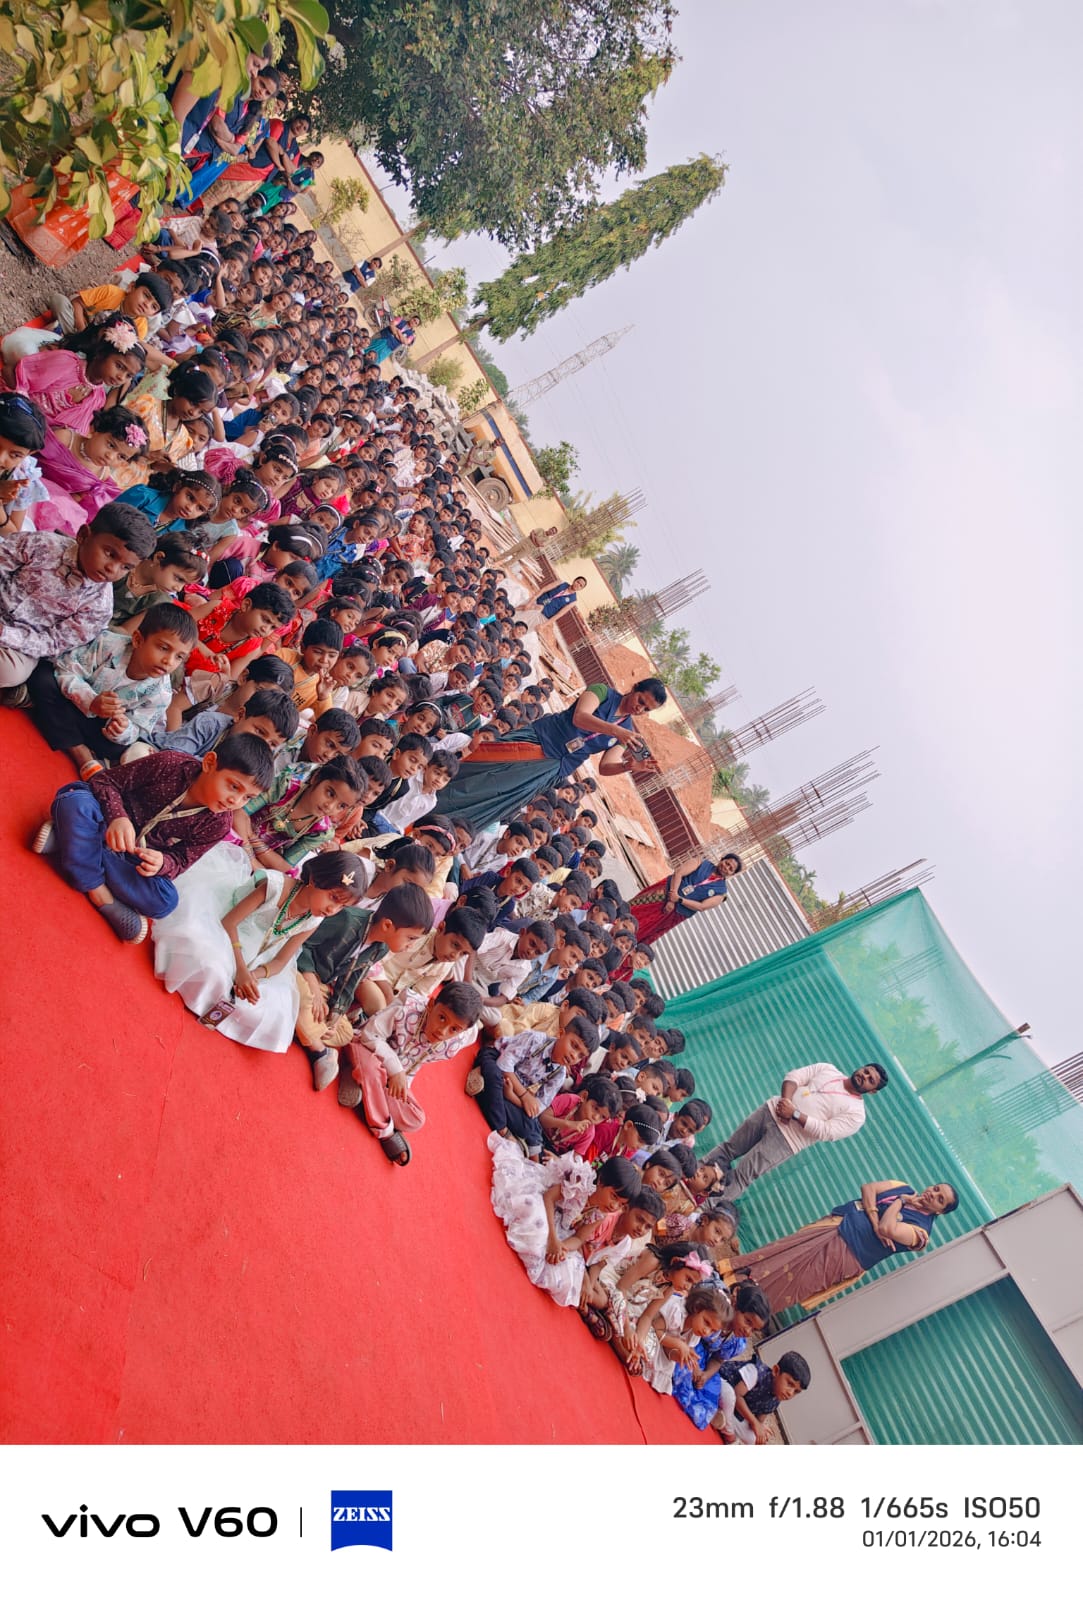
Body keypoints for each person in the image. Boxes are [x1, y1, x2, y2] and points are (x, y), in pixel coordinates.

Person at [33, 733, 273, 943]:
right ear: (210, 763)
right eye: (234, 786)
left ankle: (73, 843)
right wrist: (118, 818)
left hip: (128, 855)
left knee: (165, 901)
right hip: (106, 821)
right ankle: (98, 891)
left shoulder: (219, 824)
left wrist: (162, 863)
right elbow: (104, 781)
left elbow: (181, 861)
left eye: (247, 798)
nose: (235, 801)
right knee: (75, 801)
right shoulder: (169, 764)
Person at [153, 850, 364, 1051]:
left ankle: (225, 1000)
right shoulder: (275, 886)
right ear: (316, 879)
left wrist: (253, 976)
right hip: (227, 930)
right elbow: (229, 923)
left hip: (260, 954)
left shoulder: (314, 920)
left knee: (267, 1008)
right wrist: (241, 970)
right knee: (208, 963)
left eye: (342, 907)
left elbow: (280, 962)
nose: (332, 910)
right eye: (333, 898)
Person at [436, 678, 668, 833]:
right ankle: (433, 792)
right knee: (481, 769)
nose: (639, 708)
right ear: (634, 689)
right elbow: (580, 717)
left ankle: (448, 827)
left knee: (498, 797)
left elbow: (605, 767)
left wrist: (628, 766)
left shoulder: (626, 732)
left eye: (646, 709)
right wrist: (615, 730)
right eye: (641, 700)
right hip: (540, 739)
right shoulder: (603, 693)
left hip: (554, 766)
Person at [718, 1180, 959, 1315]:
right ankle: (728, 1280)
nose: (933, 1194)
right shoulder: (903, 1187)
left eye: (940, 1199)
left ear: (940, 1212)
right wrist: (878, 1214)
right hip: (834, 1226)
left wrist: (899, 1203)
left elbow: (888, 1228)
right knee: (781, 1254)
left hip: (847, 1257)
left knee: (795, 1284)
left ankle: (740, 1312)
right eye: (936, 1189)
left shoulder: (920, 1234)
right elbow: (868, 1189)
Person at [0, 502, 156, 694]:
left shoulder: (99, 607)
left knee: (10, 671)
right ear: (83, 535)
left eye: (126, 567)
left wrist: (5, 634)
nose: (112, 569)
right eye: (109, 554)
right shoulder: (43, 544)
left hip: (23, 644)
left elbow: (53, 642)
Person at [27, 602, 197, 777]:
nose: (169, 661)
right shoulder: (107, 644)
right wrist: (90, 701)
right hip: (72, 701)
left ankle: (54, 723)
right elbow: (66, 669)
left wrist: (121, 729)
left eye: (179, 657)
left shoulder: (162, 694)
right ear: (138, 639)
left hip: (96, 725)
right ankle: (80, 752)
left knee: (116, 747)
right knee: (43, 677)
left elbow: (138, 728)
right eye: (163, 648)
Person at [342, 980, 484, 1165]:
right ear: (431, 1004)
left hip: (393, 1076)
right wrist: (395, 1070)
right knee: (371, 1068)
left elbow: (471, 1034)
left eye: (454, 1029)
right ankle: (384, 1130)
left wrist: (399, 1083)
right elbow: (370, 1035)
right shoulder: (407, 1009)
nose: (442, 1031)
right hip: (367, 1050)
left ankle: (362, 1085)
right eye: (442, 1017)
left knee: (416, 1118)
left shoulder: (457, 1041)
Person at [489, 1139, 642, 1308]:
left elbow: (579, 1238)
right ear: (601, 1181)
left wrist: (561, 1248)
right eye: (614, 1196)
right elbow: (548, 1198)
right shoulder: (580, 1182)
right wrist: (553, 1240)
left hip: (560, 1229)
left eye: (621, 1204)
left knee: (568, 1272)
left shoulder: (600, 1214)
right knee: (535, 1222)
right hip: (545, 1203)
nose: (614, 1206)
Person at [702, 1061, 889, 1199]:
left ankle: (704, 1206)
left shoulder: (857, 1114)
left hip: (787, 1140)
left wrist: (794, 1114)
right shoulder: (828, 1069)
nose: (864, 1076)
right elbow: (794, 1077)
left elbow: (827, 1131)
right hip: (770, 1111)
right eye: (866, 1071)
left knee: (742, 1176)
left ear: (872, 1091)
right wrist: (786, 1102)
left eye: (870, 1080)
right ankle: (694, 1172)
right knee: (728, 1149)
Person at [629, 851, 743, 946]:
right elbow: (679, 873)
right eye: (727, 863)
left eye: (730, 869)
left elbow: (702, 906)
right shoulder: (701, 862)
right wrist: (672, 898)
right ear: (722, 859)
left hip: (677, 913)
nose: (726, 867)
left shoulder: (721, 892)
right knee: (635, 909)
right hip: (664, 893)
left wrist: (679, 899)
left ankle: (626, 944)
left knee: (648, 930)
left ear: (732, 874)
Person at [713, 1350, 811, 1445]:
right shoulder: (757, 1372)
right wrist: (754, 1423)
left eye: (796, 1391)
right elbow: (737, 1395)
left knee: (754, 1439)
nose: (790, 1393)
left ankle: (719, 1416)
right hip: (720, 1384)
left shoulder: (776, 1400)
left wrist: (760, 1428)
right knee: (729, 1395)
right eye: (789, 1384)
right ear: (776, 1371)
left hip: (733, 1410)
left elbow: (758, 1420)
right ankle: (729, 1434)